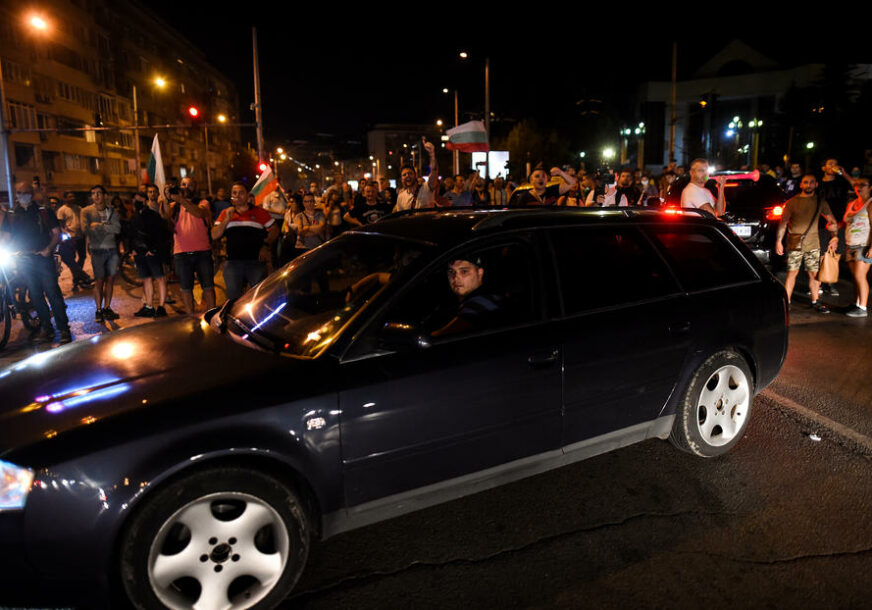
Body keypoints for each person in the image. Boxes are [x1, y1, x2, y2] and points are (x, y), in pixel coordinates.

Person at [0, 182, 72, 344]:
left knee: (52, 293)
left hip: (43, 258)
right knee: (36, 295)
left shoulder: (43, 211)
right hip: (23, 260)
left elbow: (56, 234)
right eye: (19, 193)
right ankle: (47, 328)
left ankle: (63, 328)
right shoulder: (11, 214)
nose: (21, 196)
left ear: (31, 195)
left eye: (25, 192)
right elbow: (5, 237)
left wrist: (48, 249)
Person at [774, 174, 840, 312]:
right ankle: (787, 302)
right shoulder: (792, 202)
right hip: (794, 244)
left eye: (811, 182)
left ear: (816, 184)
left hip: (813, 244)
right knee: (792, 273)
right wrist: (779, 241)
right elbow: (783, 223)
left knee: (814, 275)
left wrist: (835, 237)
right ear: (801, 185)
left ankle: (815, 302)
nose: (808, 185)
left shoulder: (820, 202)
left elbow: (832, 222)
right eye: (805, 182)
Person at [212, 182, 277, 301]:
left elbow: (274, 229)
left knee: (258, 298)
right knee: (233, 300)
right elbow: (215, 235)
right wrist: (227, 219)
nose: (237, 196)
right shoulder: (225, 213)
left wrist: (266, 245)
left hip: (255, 263)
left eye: (241, 193)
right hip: (233, 263)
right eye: (234, 193)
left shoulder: (259, 212)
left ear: (248, 195)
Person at [171, 176, 216, 314]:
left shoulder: (203, 203)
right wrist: (165, 200)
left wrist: (181, 200)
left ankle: (212, 316)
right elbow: (164, 219)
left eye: (190, 185)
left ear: (195, 187)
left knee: (208, 287)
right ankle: (189, 318)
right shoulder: (174, 206)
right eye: (183, 184)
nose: (186, 187)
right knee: (186, 288)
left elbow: (199, 213)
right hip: (181, 253)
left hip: (202, 252)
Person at [432, 256, 501, 337]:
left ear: (480, 273)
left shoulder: (484, 301)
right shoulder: (451, 302)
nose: (456, 278)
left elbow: (441, 337)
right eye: (451, 272)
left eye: (464, 271)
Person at [82, 184, 121, 321]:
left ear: (105, 195)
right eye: (93, 193)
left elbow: (117, 229)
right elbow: (85, 229)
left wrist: (98, 226)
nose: (96, 196)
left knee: (110, 280)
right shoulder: (86, 211)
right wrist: (106, 228)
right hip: (97, 250)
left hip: (111, 250)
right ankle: (98, 310)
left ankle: (107, 308)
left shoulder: (112, 211)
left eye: (99, 193)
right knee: (99, 281)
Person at [131, 184, 171, 317]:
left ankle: (161, 307)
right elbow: (132, 234)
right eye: (135, 200)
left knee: (160, 278)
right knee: (146, 279)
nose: (137, 203)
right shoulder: (134, 216)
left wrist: (153, 249)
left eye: (140, 200)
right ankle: (148, 306)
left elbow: (160, 234)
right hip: (140, 253)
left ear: (145, 200)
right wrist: (134, 250)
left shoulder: (153, 215)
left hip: (152, 252)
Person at [843, 176, 872, 317]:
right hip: (850, 244)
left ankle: (862, 307)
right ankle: (856, 303)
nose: (859, 187)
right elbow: (846, 222)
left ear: (870, 187)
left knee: (860, 275)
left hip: (864, 244)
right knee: (855, 277)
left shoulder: (870, 204)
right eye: (857, 185)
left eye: (863, 184)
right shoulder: (852, 203)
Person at [56, 191, 93, 290]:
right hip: (70, 238)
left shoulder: (79, 208)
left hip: (80, 236)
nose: (72, 198)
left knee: (82, 257)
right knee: (71, 259)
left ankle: (78, 279)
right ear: (65, 198)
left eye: (73, 196)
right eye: (70, 196)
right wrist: (66, 233)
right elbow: (60, 225)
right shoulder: (62, 210)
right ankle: (81, 278)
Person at [394, 140, 438, 212]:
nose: (407, 176)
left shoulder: (427, 188)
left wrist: (432, 155)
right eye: (404, 175)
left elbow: (434, 172)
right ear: (401, 178)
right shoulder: (401, 197)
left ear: (415, 175)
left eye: (410, 173)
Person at [509, 165, 577, 207]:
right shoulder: (524, 197)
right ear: (531, 180)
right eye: (537, 176)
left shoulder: (553, 190)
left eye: (543, 176)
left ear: (547, 179)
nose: (541, 178)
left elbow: (572, 182)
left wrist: (560, 172)